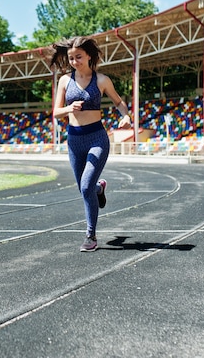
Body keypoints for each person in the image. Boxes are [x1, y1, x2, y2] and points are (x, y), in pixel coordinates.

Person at [50, 36, 131, 252]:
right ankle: (99, 188)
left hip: (97, 138)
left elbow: (118, 102)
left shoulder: (102, 80)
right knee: (84, 188)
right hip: (74, 139)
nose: (74, 61)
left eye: (78, 57)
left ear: (88, 56)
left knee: (85, 187)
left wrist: (126, 116)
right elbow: (56, 112)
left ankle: (90, 235)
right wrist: (69, 108)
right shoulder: (65, 81)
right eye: (71, 58)